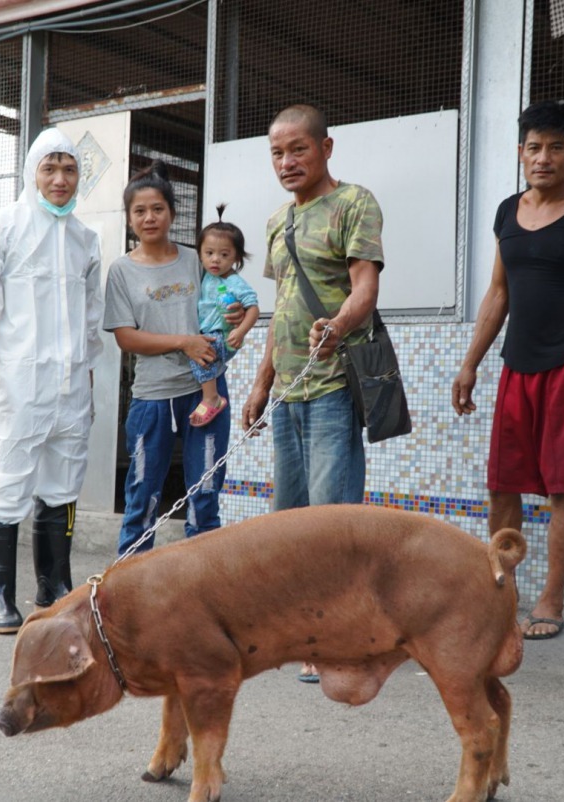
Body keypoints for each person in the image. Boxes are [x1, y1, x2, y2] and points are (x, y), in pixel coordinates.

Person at [451, 100, 564, 641]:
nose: (543, 157)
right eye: (533, 147)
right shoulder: (508, 211)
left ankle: (551, 598)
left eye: (555, 147)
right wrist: (470, 363)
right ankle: (502, 591)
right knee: (502, 485)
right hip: (517, 366)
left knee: (563, 488)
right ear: (520, 152)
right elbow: (497, 292)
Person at [240, 104, 384, 682]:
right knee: (289, 519)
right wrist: (261, 383)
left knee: (331, 520)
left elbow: (365, 287)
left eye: (298, 149)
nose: (287, 162)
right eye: (277, 153)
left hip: (332, 386)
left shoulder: (354, 203)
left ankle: (339, 639)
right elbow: (282, 310)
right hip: (288, 393)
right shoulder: (278, 221)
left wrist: (339, 326)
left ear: (326, 148)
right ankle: (299, 628)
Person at [0, 127, 103, 634]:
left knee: (62, 487)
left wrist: (88, 380)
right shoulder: (3, 227)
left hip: (70, 387)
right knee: (9, 484)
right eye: (50, 168)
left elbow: (91, 318)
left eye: (69, 169)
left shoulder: (86, 240)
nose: (60, 179)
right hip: (19, 385)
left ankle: (54, 587)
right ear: (31, 173)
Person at [103, 162, 237, 555]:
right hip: (153, 398)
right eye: (140, 211)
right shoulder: (121, 271)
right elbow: (126, 337)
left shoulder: (197, 260)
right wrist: (183, 342)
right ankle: (131, 580)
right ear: (129, 219)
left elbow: (221, 305)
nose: (149, 217)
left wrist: (235, 316)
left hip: (206, 395)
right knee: (142, 495)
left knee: (205, 495)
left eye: (157, 209)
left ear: (173, 214)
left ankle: (203, 581)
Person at [187, 205, 260, 427]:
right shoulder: (205, 275)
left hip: (223, 335)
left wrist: (241, 331)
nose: (215, 260)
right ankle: (210, 396)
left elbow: (253, 308)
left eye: (224, 254)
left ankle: (212, 398)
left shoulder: (234, 281)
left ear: (236, 257)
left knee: (201, 355)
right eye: (209, 253)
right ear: (200, 253)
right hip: (211, 332)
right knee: (201, 356)